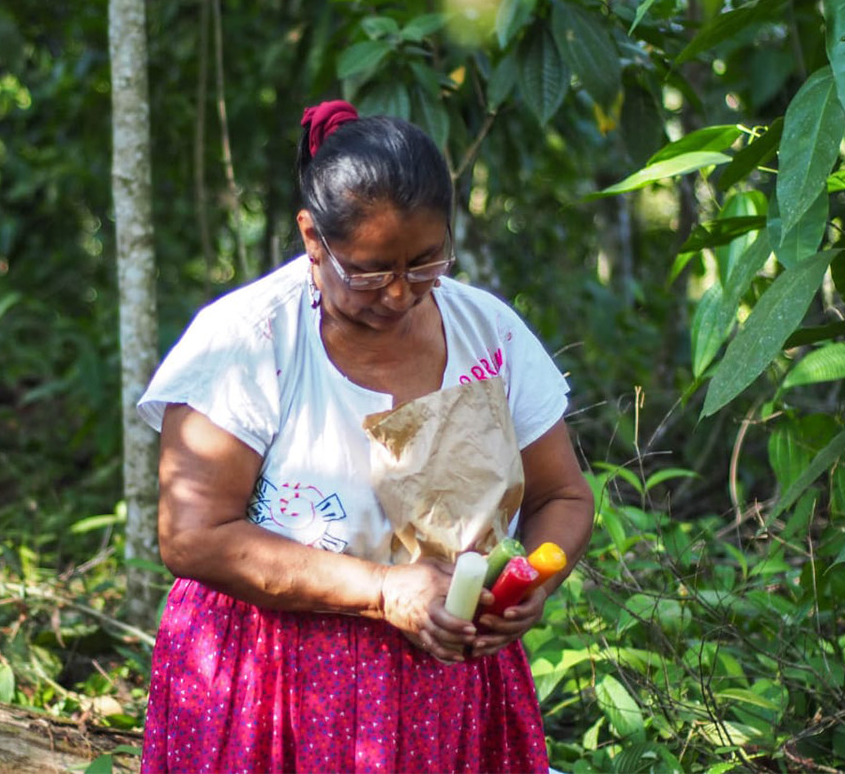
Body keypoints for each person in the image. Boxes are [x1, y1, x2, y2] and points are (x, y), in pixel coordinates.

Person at [136, 99, 594, 774]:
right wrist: (385, 590)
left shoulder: (486, 333)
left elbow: (565, 496)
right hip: (273, 686)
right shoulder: (248, 343)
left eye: (427, 263)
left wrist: (530, 584)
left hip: (451, 693)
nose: (401, 294)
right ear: (312, 239)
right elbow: (192, 535)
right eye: (372, 271)